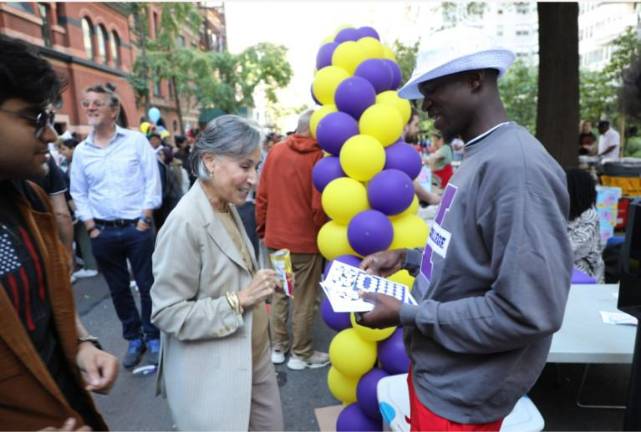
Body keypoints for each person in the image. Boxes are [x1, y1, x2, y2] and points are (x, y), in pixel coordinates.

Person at [357, 26, 573, 430]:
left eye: (434, 87)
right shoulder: (480, 154)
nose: (425, 106)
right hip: (440, 377)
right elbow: (474, 253)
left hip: (464, 394)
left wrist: (409, 313)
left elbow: (528, 311)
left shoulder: (517, 169)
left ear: (477, 79)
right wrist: (407, 258)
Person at [0, 34, 118, 430]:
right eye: (35, 119)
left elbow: (42, 309)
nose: (50, 135)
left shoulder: (30, 199)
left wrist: (82, 344)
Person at [151, 115, 283, 430]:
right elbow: (167, 312)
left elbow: (230, 270)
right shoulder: (185, 222)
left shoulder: (224, 205)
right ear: (210, 161)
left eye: (256, 166)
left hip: (255, 358)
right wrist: (240, 299)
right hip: (218, 373)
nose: (253, 178)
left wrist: (260, 284)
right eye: (245, 166)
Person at [70, 84, 162, 369]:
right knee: (119, 289)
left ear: (113, 110)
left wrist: (145, 219)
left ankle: (153, 335)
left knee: (147, 285)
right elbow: (78, 193)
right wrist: (91, 227)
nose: (90, 108)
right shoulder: (82, 152)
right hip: (103, 232)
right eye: (86, 103)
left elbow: (152, 181)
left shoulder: (135, 141)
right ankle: (134, 338)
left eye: (97, 103)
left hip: (138, 229)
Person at [256, 110, 329, 370]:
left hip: (277, 239)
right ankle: (301, 353)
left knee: (281, 293)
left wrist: (263, 229)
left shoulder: (275, 152)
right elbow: (318, 206)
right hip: (306, 243)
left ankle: (278, 347)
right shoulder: (320, 158)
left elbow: (261, 195)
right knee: (304, 298)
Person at [57, 138, 99, 280]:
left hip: (81, 207)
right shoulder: (71, 164)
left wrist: (76, 211)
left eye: (64, 149)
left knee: (84, 237)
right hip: (81, 206)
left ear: (74, 148)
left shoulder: (78, 163)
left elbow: (73, 192)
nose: (61, 153)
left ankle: (90, 265)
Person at [566, 168, 605, 283]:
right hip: (565, 272)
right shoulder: (563, 212)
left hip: (585, 277)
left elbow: (570, 249)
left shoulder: (589, 216)